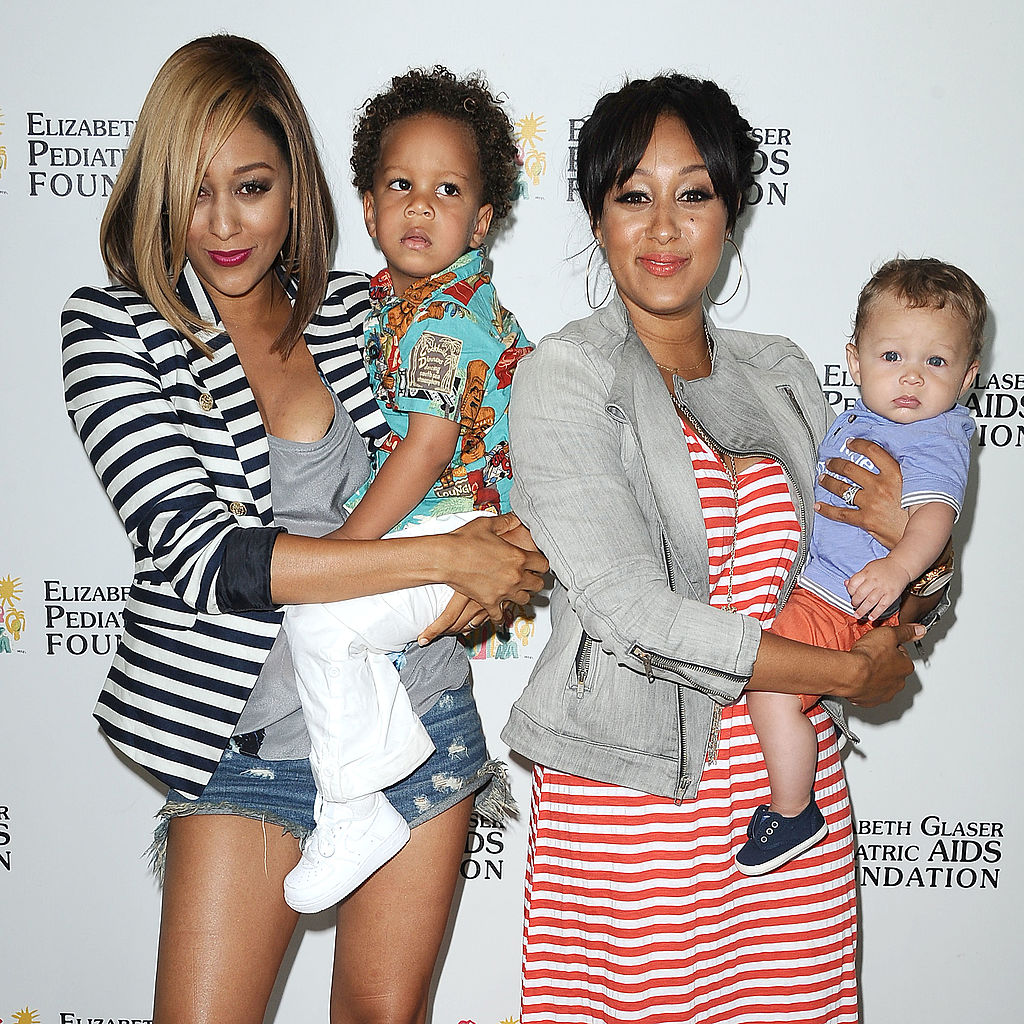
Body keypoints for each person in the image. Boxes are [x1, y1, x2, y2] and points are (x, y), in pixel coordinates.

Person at [60, 35, 546, 1024]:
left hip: (417, 719)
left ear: (297, 190)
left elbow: (474, 445)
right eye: (194, 191)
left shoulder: (361, 311)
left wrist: (503, 549)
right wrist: (444, 557)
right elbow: (210, 560)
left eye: (251, 187)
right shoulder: (113, 329)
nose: (223, 223)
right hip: (246, 746)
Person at [502, 74, 940, 1023]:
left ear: (732, 212)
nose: (664, 228)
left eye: (694, 194)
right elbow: (630, 616)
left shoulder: (782, 374)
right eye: (634, 196)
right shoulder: (563, 377)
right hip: (632, 806)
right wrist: (845, 672)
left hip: (789, 808)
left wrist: (912, 561)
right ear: (597, 216)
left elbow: (858, 575)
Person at [281, 67, 532, 915]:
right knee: (334, 633)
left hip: (458, 528)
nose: (421, 207)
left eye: (447, 190)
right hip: (448, 526)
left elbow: (425, 449)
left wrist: (342, 553)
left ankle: (355, 809)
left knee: (318, 619)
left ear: (482, 220)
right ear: (368, 206)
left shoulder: (438, 319)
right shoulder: (400, 301)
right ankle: (370, 781)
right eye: (401, 186)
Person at [741, 258, 983, 875]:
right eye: (891, 356)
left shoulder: (935, 436)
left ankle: (792, 810)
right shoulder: (859, 420)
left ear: (967, 377)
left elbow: (933, 519)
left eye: (936, 362)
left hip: (839, 599)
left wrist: (900, 568)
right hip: (828, 589)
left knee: (769, 687)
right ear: (854, 361)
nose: (911, 376)